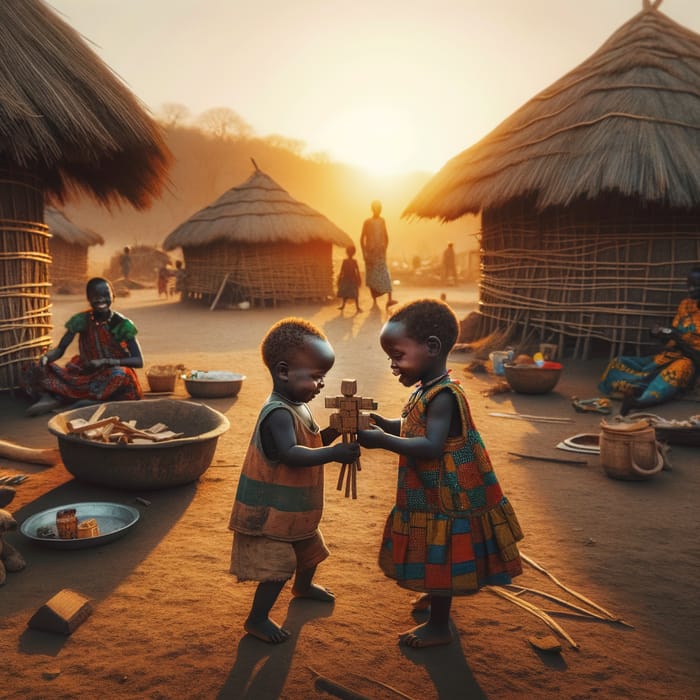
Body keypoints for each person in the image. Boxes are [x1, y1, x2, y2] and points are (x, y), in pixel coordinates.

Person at [358, 299, 524, 648]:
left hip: (446, 496)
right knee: (436, 550)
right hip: (431, 491)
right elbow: (413, 426)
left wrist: (384, 441)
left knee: (442, 551)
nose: (393, 365)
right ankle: (436, 596)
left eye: (398, 355)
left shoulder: (445, 395)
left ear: (431, 348)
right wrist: (383, 424)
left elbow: (432, 445)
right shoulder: (428, 389)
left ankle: (439, 627)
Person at [228, 318, 360, 644]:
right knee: (279, 568)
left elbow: (311, 443)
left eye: (323, 377)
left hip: (295, 510)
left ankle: (302, 588)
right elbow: (290, 453)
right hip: (272, 511)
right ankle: (257, 619)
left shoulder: (298, 406)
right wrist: (334, 454)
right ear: (284, 371)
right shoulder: (278, 413)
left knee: (311, 550)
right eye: (316, 377)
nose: (321, 385)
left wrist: (333, 431)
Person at [22, 277, 144, 416]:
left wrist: (106, 361)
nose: (101, 300)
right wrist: (46, 358)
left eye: (105, 295)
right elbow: (61, 349)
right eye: (95, 296)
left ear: (113, 296)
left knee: (121, 373)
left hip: (110, 377)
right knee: (32, 367)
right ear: (88, 298)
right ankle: (48, 397)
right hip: (85, 375)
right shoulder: (81, 320)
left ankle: (74, 400)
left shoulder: (122, 324)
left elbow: (138, 361)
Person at [599, 265, 700, 415]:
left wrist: (678, 340)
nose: (690, 289)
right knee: (619, 363)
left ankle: (641, 401)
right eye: (688, 285)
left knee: (678, 369)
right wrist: (660, 333)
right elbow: (675, 332)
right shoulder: (686, 305)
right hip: (673, 354)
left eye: (695, 285)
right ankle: (640, 387)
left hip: (692, 361)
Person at [360, 200, 397, 309]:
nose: (378, 211)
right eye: (377, 208)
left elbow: (386, 236)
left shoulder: (382, 221)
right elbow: (362, 238)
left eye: (380, 208)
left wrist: (384, 247)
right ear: (372, 209)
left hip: (380, 253)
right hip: (370, 254)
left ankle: (389, 299)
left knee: (385, 274)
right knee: (372, 278)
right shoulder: (367, 222)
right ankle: (374, 301)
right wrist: (364, 254)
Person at [336, 244, 363, 313]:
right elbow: (342, 270)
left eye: (351, 252)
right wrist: (340, 278)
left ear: (353, 253)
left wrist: (359, 278)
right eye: (349, 252)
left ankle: (357, 307)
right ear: (347, 252)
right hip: (346, 278)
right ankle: (343, 305)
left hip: (353, 279)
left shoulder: (354, 261)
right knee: (345, 293)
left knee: (355, 294)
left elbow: (357, 270)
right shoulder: (345, 261)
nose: (350, 253)